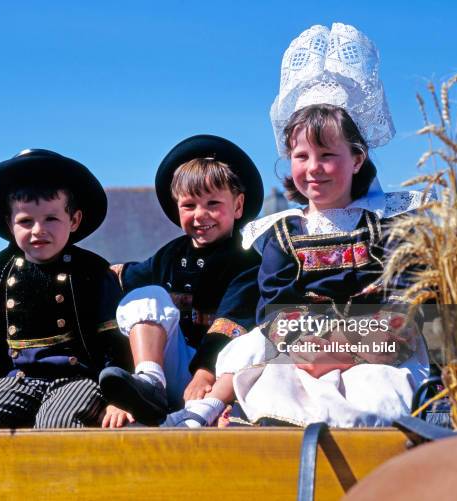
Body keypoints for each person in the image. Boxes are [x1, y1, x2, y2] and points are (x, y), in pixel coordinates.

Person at [162, 23, 430, 428]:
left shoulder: (389, 223)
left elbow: (406, 306)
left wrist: (344, 351)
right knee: (263, 370)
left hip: (374, 350)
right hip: (299, 352)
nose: (314, 169)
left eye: (327, 154)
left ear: (356, 158)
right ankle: (219, 413)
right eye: (302, 155)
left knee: (375, 394)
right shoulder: (284, 234)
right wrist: (309, 350)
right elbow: (274, 309)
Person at [0, 149, 130, 429]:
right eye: (26, 221)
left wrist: (119, 397)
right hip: (18, 377)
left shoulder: (91, 271)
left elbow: (115, 338)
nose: (38, 230)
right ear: (9, 225)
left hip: (79, 378)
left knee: (57, 424)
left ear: (73, 220)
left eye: (51, 219)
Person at [99, 135, 264, 427]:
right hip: (170, 371)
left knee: (254, 341)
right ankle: (147, 383)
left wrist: (204, 372)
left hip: (217, 374)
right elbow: (126, 279)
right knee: (145, 295)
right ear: (177, 208)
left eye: (213, 203)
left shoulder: (245, 260)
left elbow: (231, 320)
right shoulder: (170, 254)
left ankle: (204, 412)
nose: (201, 215)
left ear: (238, 206)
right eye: (189, 205)